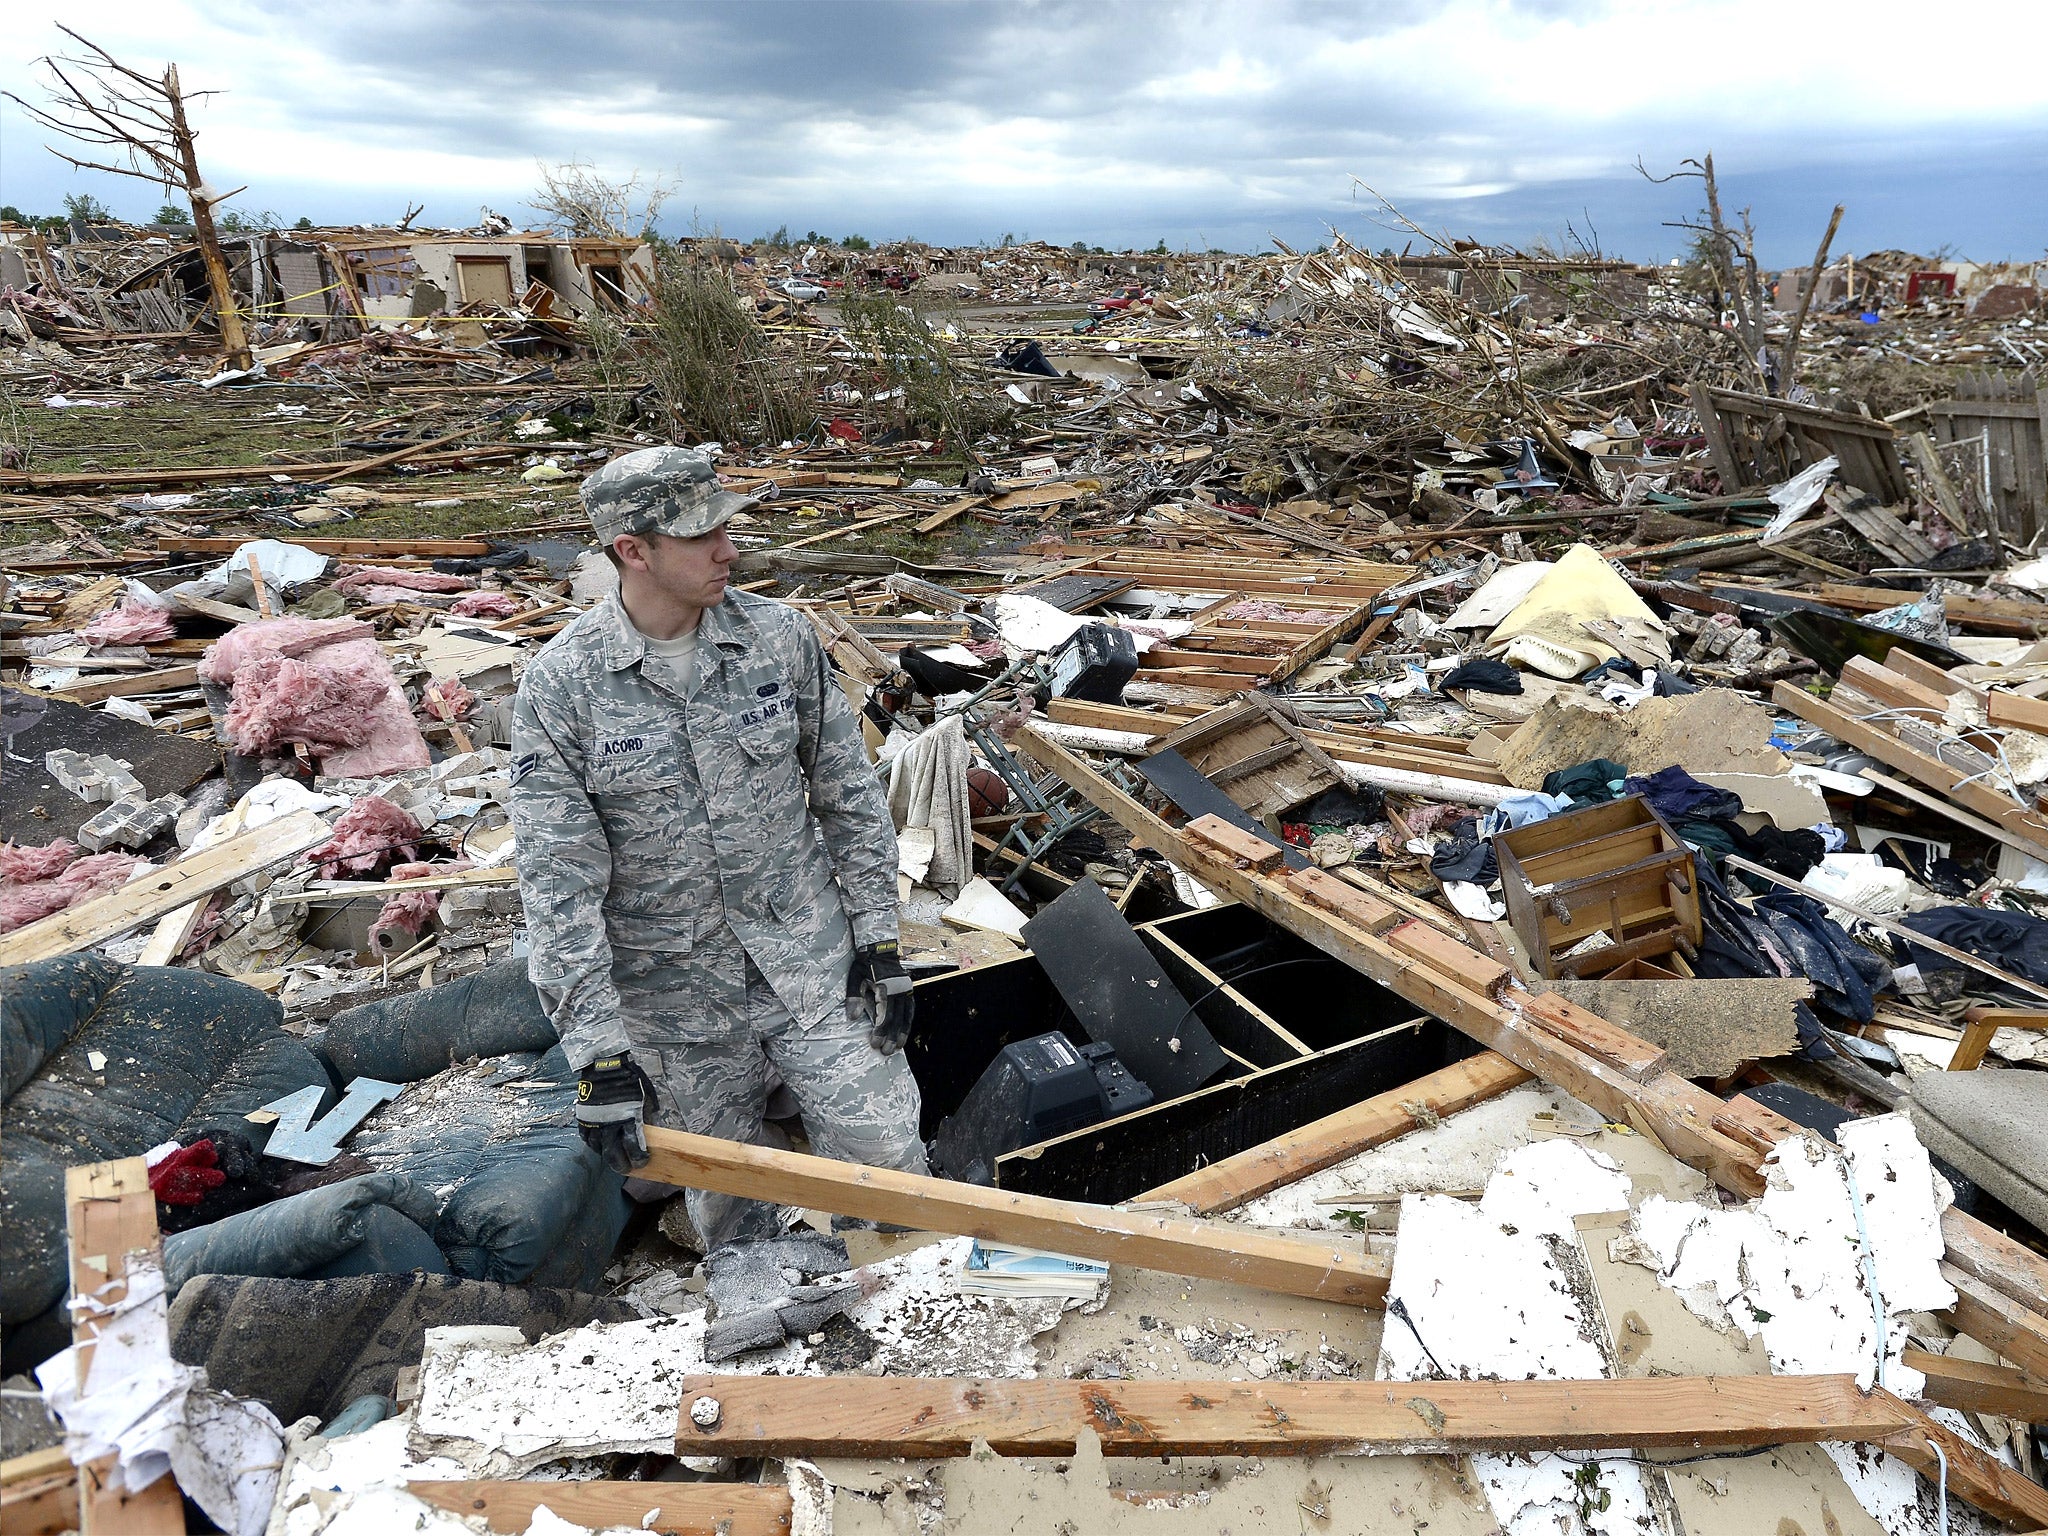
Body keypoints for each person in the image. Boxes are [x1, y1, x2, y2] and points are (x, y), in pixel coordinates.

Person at [508, 445, 924, 1249]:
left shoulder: (780, 641)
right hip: (675, 1002)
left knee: (894, 1180)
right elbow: (559, 885)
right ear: (634, 550)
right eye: (703, 537)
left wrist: (879, 939)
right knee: (739, 1220)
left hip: (811, 969)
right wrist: (597, 1051)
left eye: (726, 528)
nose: (729, 551)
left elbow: (849, 798)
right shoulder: (563, 687)